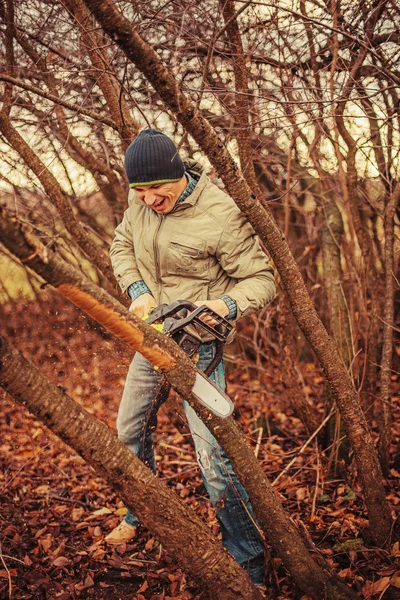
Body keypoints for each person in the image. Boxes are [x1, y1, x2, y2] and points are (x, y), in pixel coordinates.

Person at [106, 129, 276, 586]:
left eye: (155, 190)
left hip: (198, 342)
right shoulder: (139, 202)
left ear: (179, 175)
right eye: (138, 191)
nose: (147, 200)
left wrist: (225, 305)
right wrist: (137, 290)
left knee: (213, 458)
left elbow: (262, 278)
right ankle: (139, 512)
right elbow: (122, 246)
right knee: (128, 430)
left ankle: (248, 559)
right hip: (152, 333)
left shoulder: (219, 213)